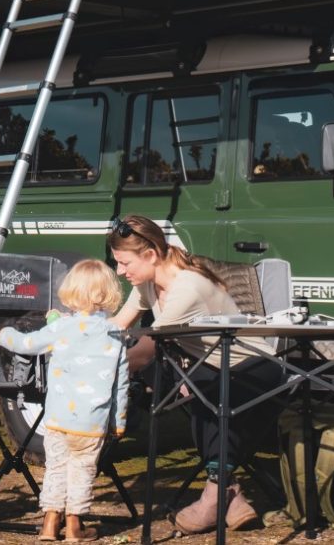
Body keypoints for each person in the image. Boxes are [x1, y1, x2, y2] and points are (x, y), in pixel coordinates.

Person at [109, 214, 283, 534]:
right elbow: (119, 324)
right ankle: (229, 495)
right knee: (189, 381)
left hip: (256, 369)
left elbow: (146, 349)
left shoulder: (187, 287)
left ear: (150, 255)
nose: (120, 271)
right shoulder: (147, 282)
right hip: (208, 367)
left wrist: (91, 366)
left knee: (203, 393)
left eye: (124, 262)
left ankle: (214, 495)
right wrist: (76, 336)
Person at [0, 259, 129, 542]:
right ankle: (75, 526)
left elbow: (26, 344)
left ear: (71, 293)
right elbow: (121, 384)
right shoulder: (116, 334)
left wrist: (2, 335)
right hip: (91, 423)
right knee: (81, 472)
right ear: (108, 294)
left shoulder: (61, 328)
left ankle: (49, 524)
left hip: (57, 418)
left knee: (55, 470)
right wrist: (119, 422)